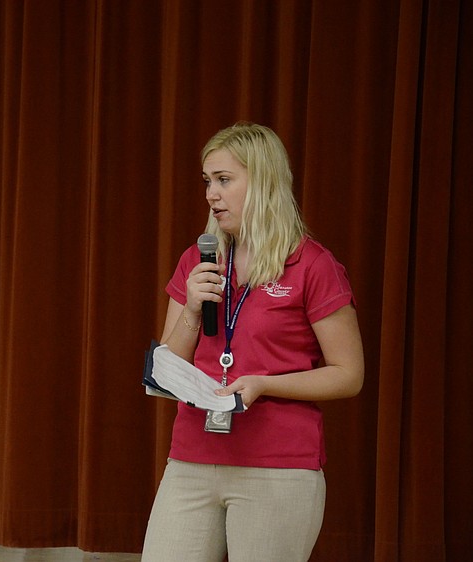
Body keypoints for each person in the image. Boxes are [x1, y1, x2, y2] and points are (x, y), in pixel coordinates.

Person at [141, 123, 364, 562]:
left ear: (263, 182)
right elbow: (169, 367)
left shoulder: (313, 265)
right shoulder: (198, 259)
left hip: (277, 466)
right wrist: (190, 310)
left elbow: (348, 374)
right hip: (192, 459)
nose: (211, 194)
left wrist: (264, 383)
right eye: (207, 181)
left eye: (224, 180)